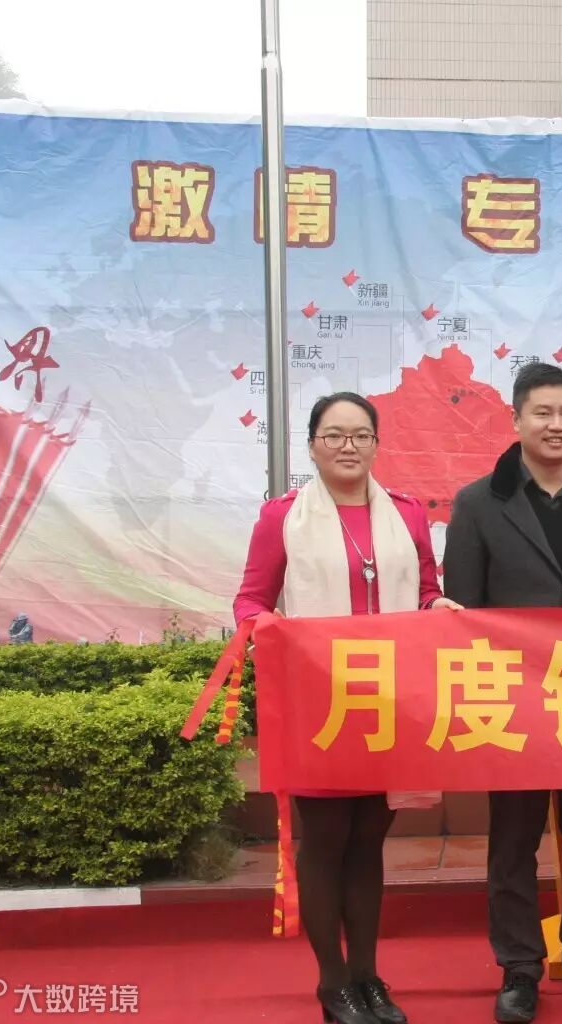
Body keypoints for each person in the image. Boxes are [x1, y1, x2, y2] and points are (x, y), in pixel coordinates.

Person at [234, 391, 458, 1024]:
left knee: (368, 842)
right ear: (312, 446)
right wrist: (266, 626)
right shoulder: (283, 517)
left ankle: (368, 976)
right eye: (334, 435)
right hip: (321, 704)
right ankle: (333, 983)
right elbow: (250, 601)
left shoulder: (406, 514)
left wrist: (438, 607)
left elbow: (427, 589)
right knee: (327, 840)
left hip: (390, 702)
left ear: (377, 445)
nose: (348, 446)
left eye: (361, 435)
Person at [443, 363, 562, 1024]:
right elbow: (464, 612)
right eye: (543, 413)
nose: (557, 426)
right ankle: (520, 969)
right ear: (517, 420)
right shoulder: (478, 503)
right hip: (513, 703)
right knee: (513, 844)